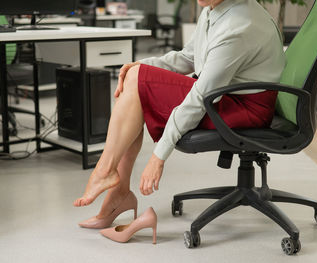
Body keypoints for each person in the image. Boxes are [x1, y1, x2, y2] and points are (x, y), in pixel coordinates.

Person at [73, 0, 285, 228]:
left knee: (138, 81)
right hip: (224, 93)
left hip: (244, 107)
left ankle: (109, 178)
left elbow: (202, 96)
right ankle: (117, 189)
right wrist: (142, 65)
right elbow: (188, 58)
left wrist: (159, 154)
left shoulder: (239, 25)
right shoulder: (213, 9)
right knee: (135, 77)